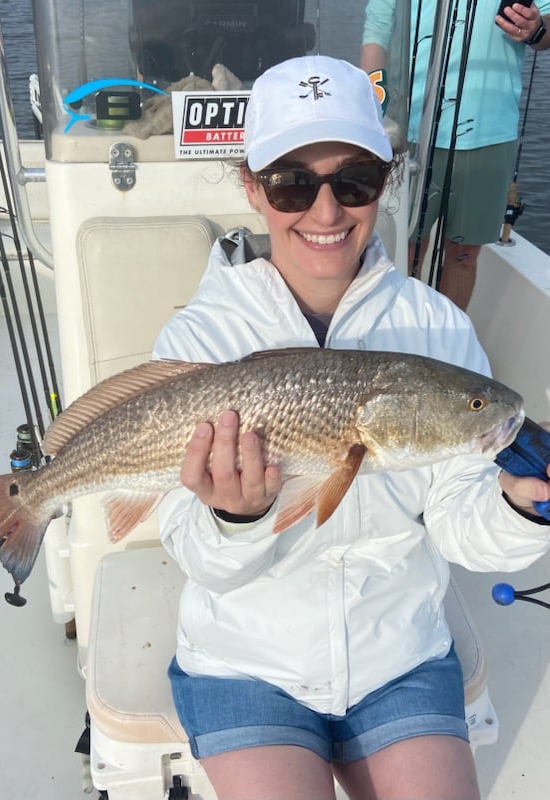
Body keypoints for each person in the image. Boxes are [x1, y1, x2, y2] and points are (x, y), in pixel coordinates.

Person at [152, 55, 550, 800]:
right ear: (251, 188)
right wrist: (233, 519)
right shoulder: (198, 338)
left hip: (396, 653)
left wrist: (518, 505)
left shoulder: (436, 326)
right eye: (291, 183)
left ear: (387, 180)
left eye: (354, 180)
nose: (326, 211)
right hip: (245, 659)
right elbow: (194, 554)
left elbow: (459, 522)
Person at [362, 0, 550, 310]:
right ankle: (397, 341)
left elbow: (546, 28)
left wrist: (535, 27)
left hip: (490, 131)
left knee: (464, 255)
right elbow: (377, 31)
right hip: (407, 130)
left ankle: (447, 344)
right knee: (404, 249)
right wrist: (370, 112)